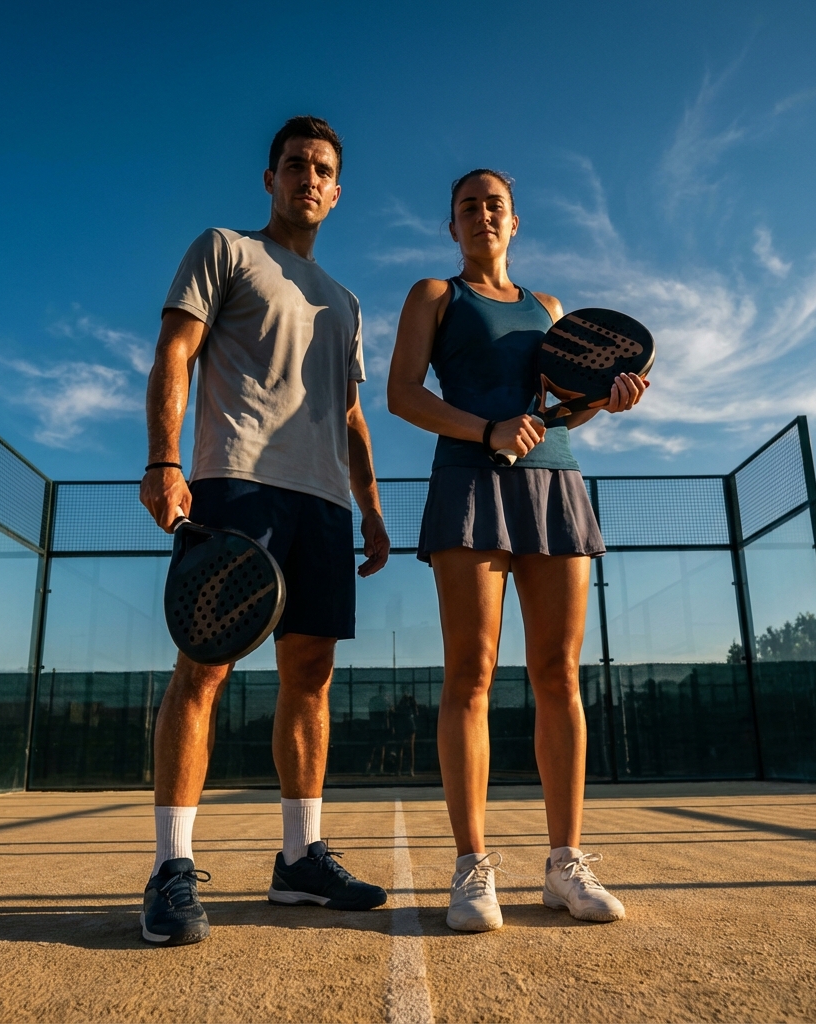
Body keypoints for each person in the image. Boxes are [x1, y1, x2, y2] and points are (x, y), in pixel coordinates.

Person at [138, 116, 391, 946]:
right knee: (203, 669)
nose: (307, 177)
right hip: (235, 481)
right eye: (294, 164)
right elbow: (175, 352)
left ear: (338, 190)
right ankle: (172, 868)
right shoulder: (225, 250)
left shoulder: (346, 302)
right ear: (270, 179)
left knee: (309, 678)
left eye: (322, 168)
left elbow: (350, 414)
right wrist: (164, 461)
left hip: (324, 503)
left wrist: (375, 508)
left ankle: (298, 860)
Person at [387, 169, 648, 932]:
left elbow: (559, 415)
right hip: (469, 479)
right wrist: (486, 431)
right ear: (453, 226)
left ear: (514, 221)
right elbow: (403, 394)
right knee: (469, 675)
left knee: (557, 673)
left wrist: (604, 401)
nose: (481, 215)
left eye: (493, 204)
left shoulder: (552, 309)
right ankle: (472, 869)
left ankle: (565, 864)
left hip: (553, 486)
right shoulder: (435, 295)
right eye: (467, 206)